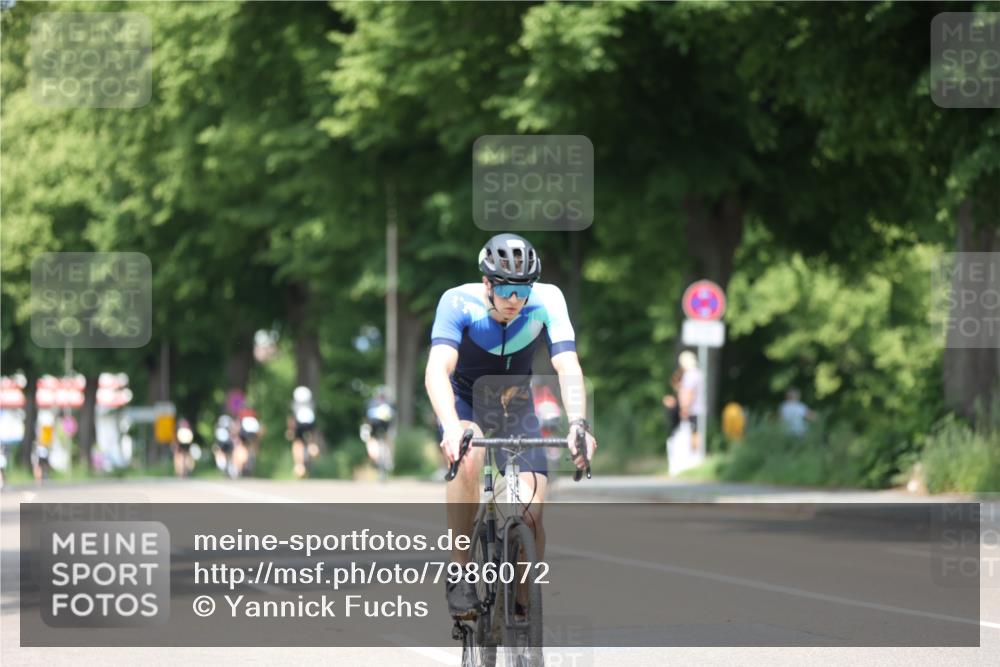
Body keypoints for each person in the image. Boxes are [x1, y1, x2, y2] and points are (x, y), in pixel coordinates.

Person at [425, 233, 597, 618]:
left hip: (515, 402)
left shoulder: (548, 301)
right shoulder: (457, 302)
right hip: (465, 400)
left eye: (522, 290)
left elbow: (567, 365)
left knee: (532, 510)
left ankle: (522, 601)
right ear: (487, 282)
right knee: (468, 460)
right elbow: (438, 369)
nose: (514, 300)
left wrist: (578, 424)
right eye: (505, 289)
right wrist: (452, 426)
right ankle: (461, 570)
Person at [287, 385, 319, 479]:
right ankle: (312, 448)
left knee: (297, 443)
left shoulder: (294, 404)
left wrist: (290, 430)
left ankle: (299, 465)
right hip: (310, 424)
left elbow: (292, 419)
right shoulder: (311, 404)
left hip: (299, 424)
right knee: (311, 440)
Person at [361, 388, 395, 474]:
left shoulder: (370, 403)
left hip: (376, 425)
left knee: (371, 440)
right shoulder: (389, 403)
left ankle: (378, 459)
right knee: (387, 439)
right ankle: (387, 459)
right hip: (382, 426)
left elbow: (365, 418)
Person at [678, 350, 704, 453]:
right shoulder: (698, 373)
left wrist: (685, 408)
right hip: (698, 408)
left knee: (693, 432)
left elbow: (689, 393)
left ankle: (694, 454)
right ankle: (697, 453)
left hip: (693, 409)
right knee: (696, 431)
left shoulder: (690, 375)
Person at [661, 368, 684, 437]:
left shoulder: (683, 392)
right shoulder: (678, 393)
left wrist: (673, 403)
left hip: (681, 426)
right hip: (675, 427)